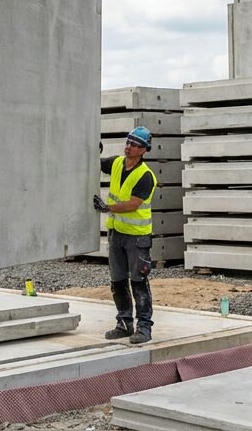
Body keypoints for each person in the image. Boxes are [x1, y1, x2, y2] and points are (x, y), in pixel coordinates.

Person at [92, 125, 156, 345]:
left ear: (144, 150)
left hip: (137, 238)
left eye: (135, 145)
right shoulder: (117, 163)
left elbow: (132, 204)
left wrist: (107, 207)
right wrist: (93, 151)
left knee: (139, 282)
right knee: (118, 281)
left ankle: (144, 328)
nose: (129, 147)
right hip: (117, 234)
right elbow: (96, 164)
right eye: (128, 142)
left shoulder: (145, 175)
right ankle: (124, 323)